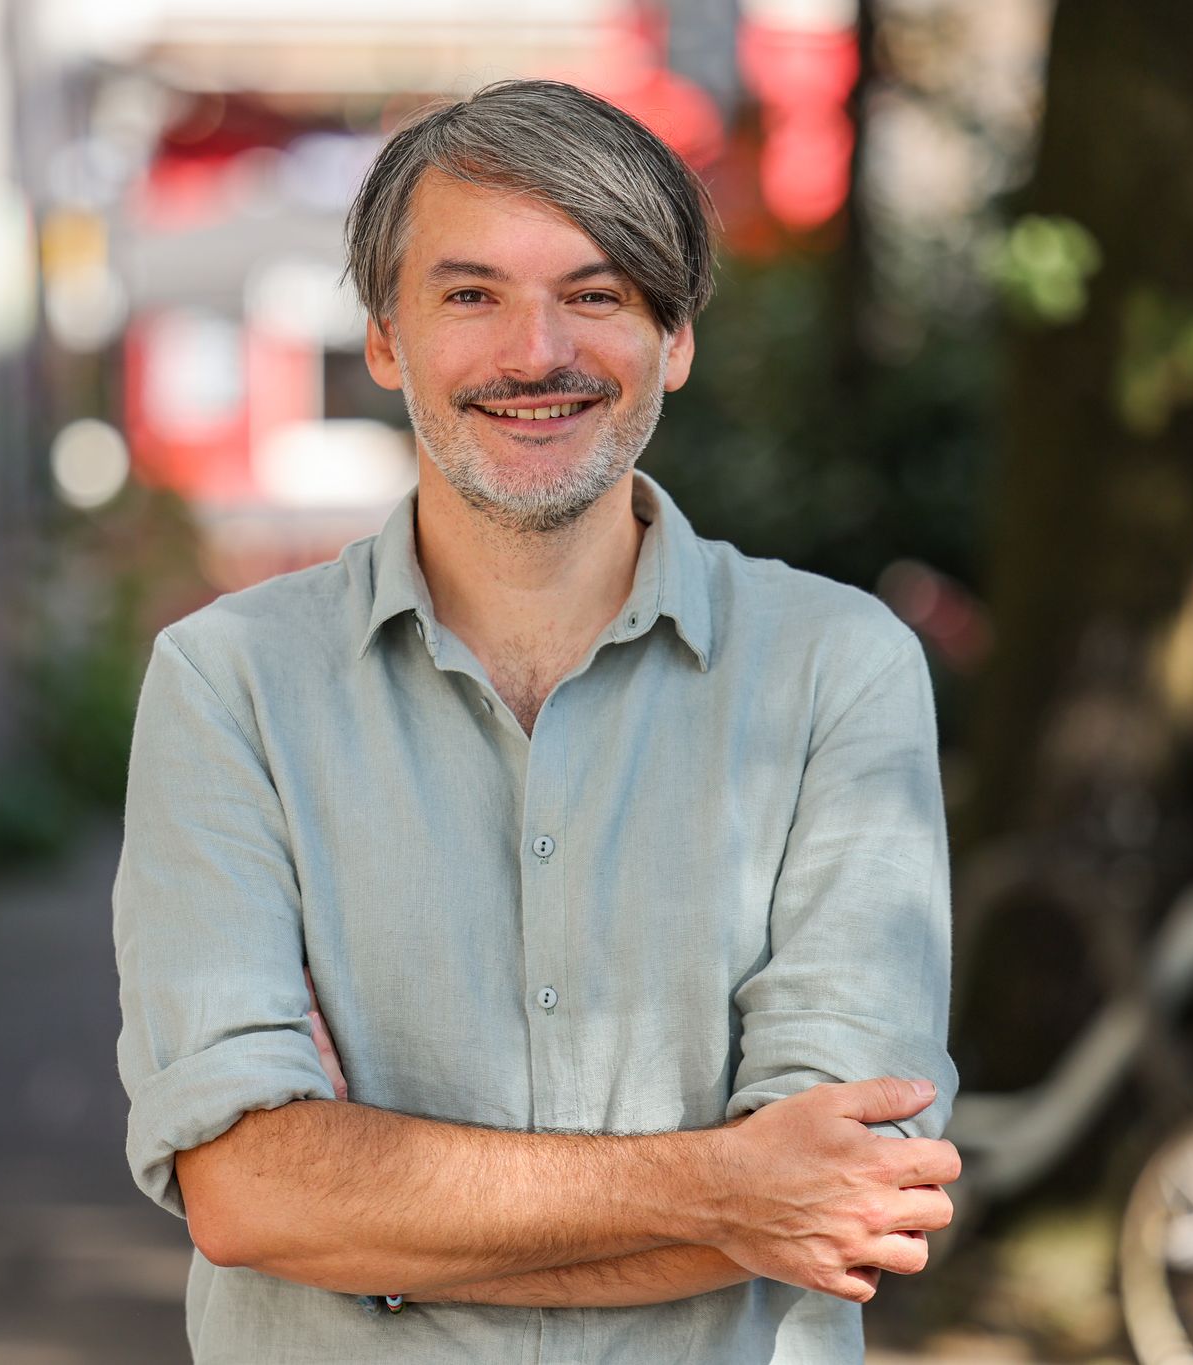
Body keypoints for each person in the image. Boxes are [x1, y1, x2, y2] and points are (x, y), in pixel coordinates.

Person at [113, 78, 960, 1364]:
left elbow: (845, 1194)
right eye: (470, 295)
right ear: (384, 341)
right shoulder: (228, 685)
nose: (534, 353)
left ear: (673, 340)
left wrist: (380, 1223)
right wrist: (733, 1188)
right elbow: (246, 1190)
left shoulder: (836, 671)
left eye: (596, 293)